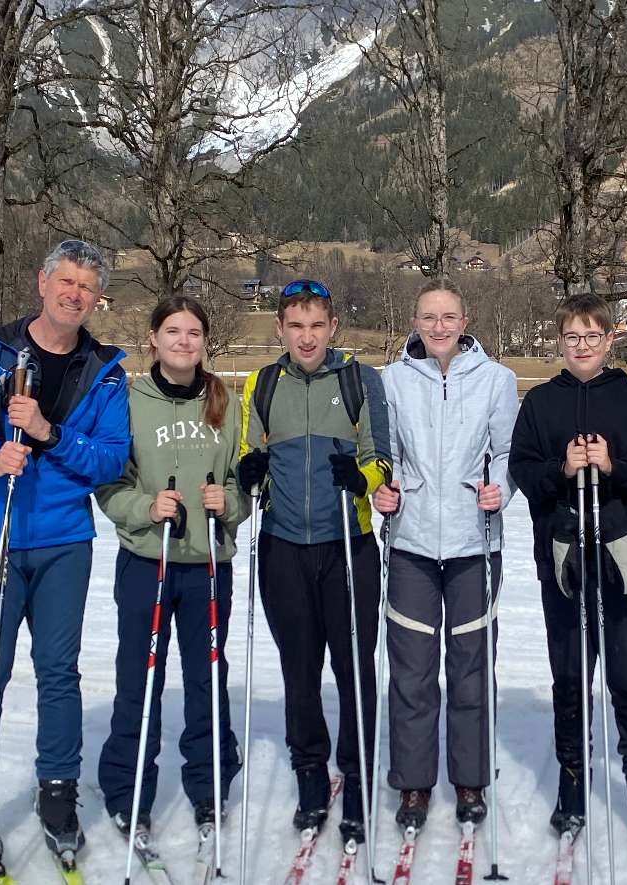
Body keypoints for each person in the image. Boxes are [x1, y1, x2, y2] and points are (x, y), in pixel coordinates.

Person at [0, 239, 130, 865]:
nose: (74, 294)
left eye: (86, 286)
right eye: (64, 281)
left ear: (97, 298)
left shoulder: (106, 370)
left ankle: (58, 791)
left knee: (59, 672)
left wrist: (50, 434)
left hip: (64, 539)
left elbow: (110, 457)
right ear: (43, 283)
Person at [236, 279, 392, 844]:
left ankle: (355, 777)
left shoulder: (358, 380)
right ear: (281, 329)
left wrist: (364, 477)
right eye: (295, 326)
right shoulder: (262, 382)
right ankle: (309, 771)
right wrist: (248, 470)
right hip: (282, 547)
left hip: (347, 546)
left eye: (317, 325)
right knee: (298, 670)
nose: (307, 336)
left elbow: (383, 458)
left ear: (333, 329)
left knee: (354, 668)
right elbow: (246, 450)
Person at [508, 293, 627, 843]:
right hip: (564, 557)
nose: (582, 346)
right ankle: (573, 781)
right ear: (560, 341)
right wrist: (562, 467)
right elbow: (522, 473)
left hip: (623, 555)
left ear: (609, 340)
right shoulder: (541, 403)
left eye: (592, 336)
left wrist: (612, 465)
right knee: (572, 675)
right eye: (572, 337)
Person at [94, 295, 244, 845]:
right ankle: (128, 792)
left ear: (205, 342)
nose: (184, 341)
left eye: (194, 333)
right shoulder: (129, 399)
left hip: (207, 563)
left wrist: (225, 501)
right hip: (146, 561)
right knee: (141, 679)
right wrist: (146, 507)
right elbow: (108, 484)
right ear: (153, 337)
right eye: (173, 331)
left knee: (208, 681)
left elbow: (243, 484)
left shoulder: (226, 398)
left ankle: (209, 789)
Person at [372, 278, 519, 832]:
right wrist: (380, 490)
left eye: (448, 317)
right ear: (415, 321)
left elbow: (507, 451)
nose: (438, 326)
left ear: (464, 320)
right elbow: (380, 455)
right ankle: (413, 782)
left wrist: (500, 488)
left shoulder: (497, 380)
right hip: (409, 539)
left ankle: (470, 778)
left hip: (473, 540)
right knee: (411, 671)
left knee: (472, 668)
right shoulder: (391, 380)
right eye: (428, 317)